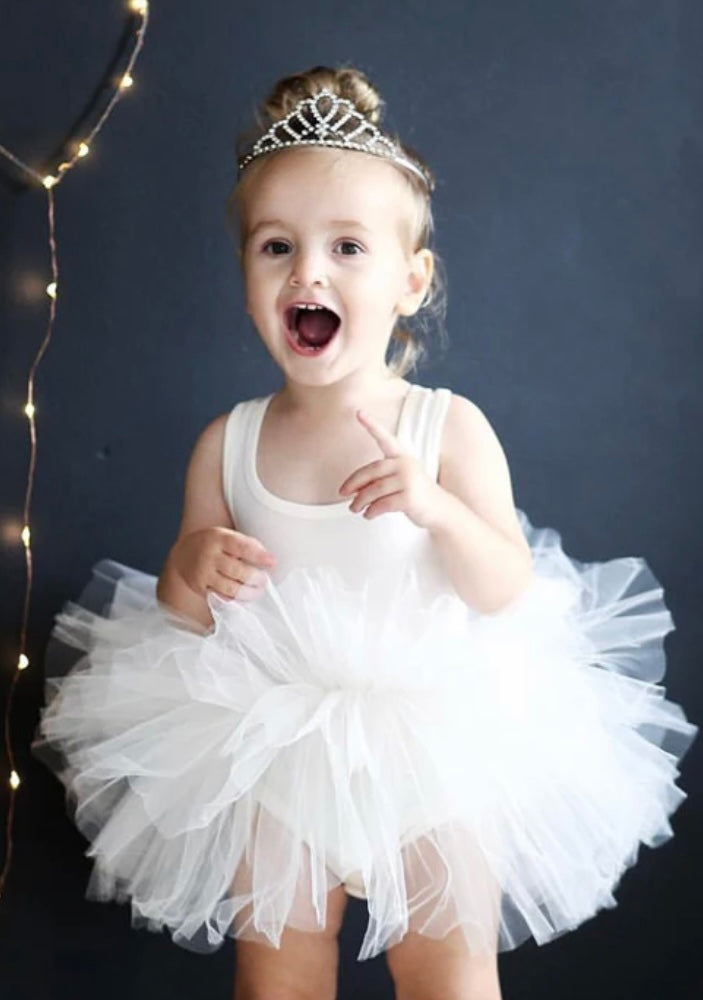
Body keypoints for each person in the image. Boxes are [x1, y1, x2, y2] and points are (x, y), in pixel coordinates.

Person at [33, 65, 697, 1000]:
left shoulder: (444, 428)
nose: (307, 271)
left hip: (433, 738)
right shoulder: (230, 442)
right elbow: (181, 610)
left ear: (411, 282)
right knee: (278, 972)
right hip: (270, 741)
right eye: (276, 248)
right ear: (246, 275)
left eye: (347, 247)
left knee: (444, 967)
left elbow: (504, 586)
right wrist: (190, 564)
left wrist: (432, 506)